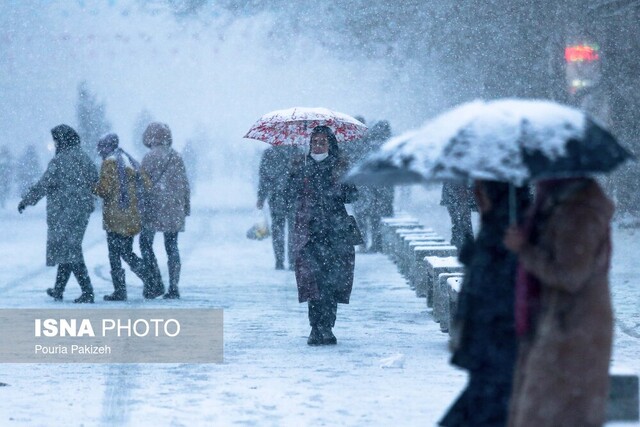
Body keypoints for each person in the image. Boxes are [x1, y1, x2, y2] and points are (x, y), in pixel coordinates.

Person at [503, 177, 614, 427]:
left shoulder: (579, 212)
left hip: (572, 329)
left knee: (555, 415)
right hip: (558, 324)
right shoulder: (555, 204)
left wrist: (524, 249)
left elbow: (570, 275)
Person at [439, 181, 531, 427]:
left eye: (480, 189)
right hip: (487, 334)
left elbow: (508, 277)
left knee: (489, 404)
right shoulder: (496, 220)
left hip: (501, 332)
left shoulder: (514, 223)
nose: (475, 195)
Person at [289, 126, 359, 346]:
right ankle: (314, 327)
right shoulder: (301, 166)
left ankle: (327, 327)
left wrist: (341, 183)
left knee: (331, 282)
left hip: (335, 233)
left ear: (331, 144)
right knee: (312, 281)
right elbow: (289, 194)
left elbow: (352, 196)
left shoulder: (340, 166)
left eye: (322, 142)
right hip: (309, 233)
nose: (317, 146)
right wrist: (296, 179)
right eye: (314, 142)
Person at [18, 124, 98, 303]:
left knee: (70, 250)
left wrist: (26, 201)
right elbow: (95, 178)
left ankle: (87, 291)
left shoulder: (60, 160)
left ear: (61, 140)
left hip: (64, 212)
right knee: (69, 247)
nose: (54, 143)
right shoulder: (83, 157)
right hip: (81, 211)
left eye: (56, 139)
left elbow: (43, 184)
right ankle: (59, 289)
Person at [94, 133, 159, 301]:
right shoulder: (128, 160)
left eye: (101, 147)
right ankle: (150, 279)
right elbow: (147, 184)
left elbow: (104, 190)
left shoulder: (109, 163)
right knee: (127, 252)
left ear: (108, 147)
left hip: (115, 217)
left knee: (115, 255)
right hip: (131, 215)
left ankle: (121, 290)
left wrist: (92, 187)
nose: (99, 151)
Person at [140, 122, 191, 300]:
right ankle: (173, 286)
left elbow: (142, 184)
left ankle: (153, 282)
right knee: (172, 247)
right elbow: (184, 184)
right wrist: (186, 206)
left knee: (146, 244)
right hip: (173, 208)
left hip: (153, 207)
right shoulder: (176, 156)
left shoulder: (148, 158)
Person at [257, 145, 296, 270]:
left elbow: (264, 176)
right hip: (294, 195)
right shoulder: (298, 152)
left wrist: (261, 196)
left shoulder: (269, 153)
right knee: (294, 229)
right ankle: (292, 260)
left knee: (278, 228)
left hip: (276, 196)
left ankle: (279, 260)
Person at [366, 120, 394, 252]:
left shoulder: (371, 145)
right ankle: (383, 244)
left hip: (374, 186)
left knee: (375, 217)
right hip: (385, 186)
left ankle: (377, 244)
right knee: (382, 216)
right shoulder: (390, 145)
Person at [441, 182, 475, 250]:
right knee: (461, 222)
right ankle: (464, 246)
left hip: (457, 192)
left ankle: (462, 245)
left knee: (460, 222)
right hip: (457, 192)